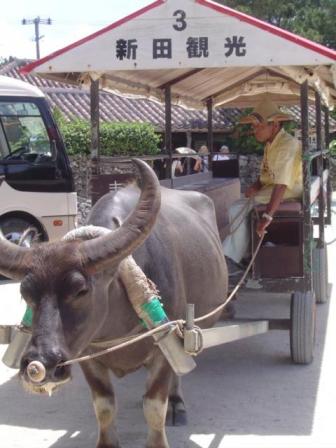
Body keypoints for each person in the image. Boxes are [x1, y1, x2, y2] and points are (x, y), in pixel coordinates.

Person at [222, 97, 302, 267]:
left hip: (290, 190)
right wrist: (256, 186)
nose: (254, 130)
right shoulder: (271, 143)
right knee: (239, 205)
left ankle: (233, 258)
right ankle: (241, 252)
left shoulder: (286, 145)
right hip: (276, 187)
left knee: (237, 208)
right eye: (253, 126)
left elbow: (281, 185)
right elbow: (267, 174)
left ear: (274, 125)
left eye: (259, 125)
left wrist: (267, 216)